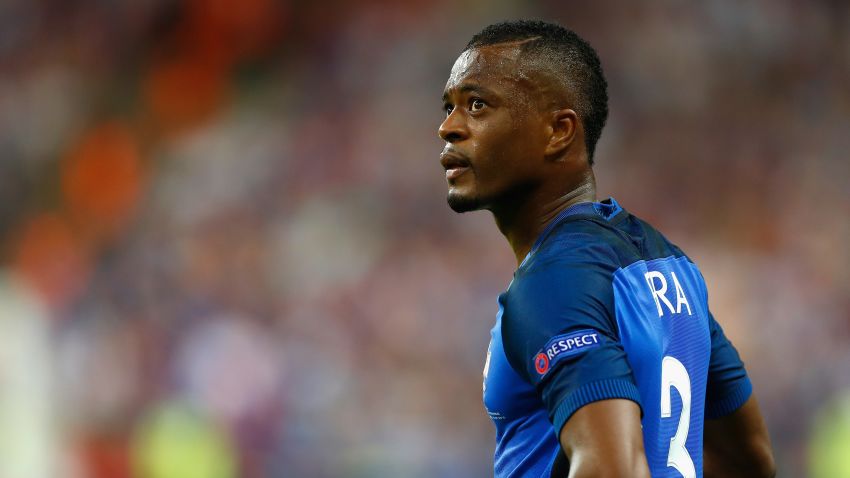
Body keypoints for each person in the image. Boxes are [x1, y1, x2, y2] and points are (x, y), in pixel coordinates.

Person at [438, 20, 775, 477]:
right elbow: (746, 461)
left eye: (477, 105)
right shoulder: (667, 262)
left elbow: (612, 469)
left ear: (559, 131)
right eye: (449, 107)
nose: (449, 127)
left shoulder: (554, 281)